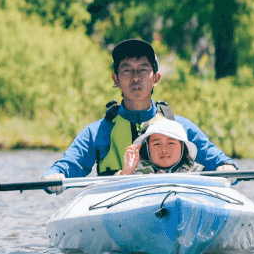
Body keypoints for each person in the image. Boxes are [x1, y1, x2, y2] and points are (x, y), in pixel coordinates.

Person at [43, 38, 235, 188]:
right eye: (127, 70)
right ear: (116, 79)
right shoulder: (97, 131)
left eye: (143, 70)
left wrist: (226, 167)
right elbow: (69, 164)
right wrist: (55, 176)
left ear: (156, 78)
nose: (135, 77)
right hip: (116, 207)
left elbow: (218, 160)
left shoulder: (179, 127)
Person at [118, 117, 204, 175]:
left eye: (171, 143)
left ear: (183, 147)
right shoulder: (136, 173)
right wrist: (128, 171)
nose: (164, 150)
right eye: (156, 144)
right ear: (147, 149)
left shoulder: (197, 173)